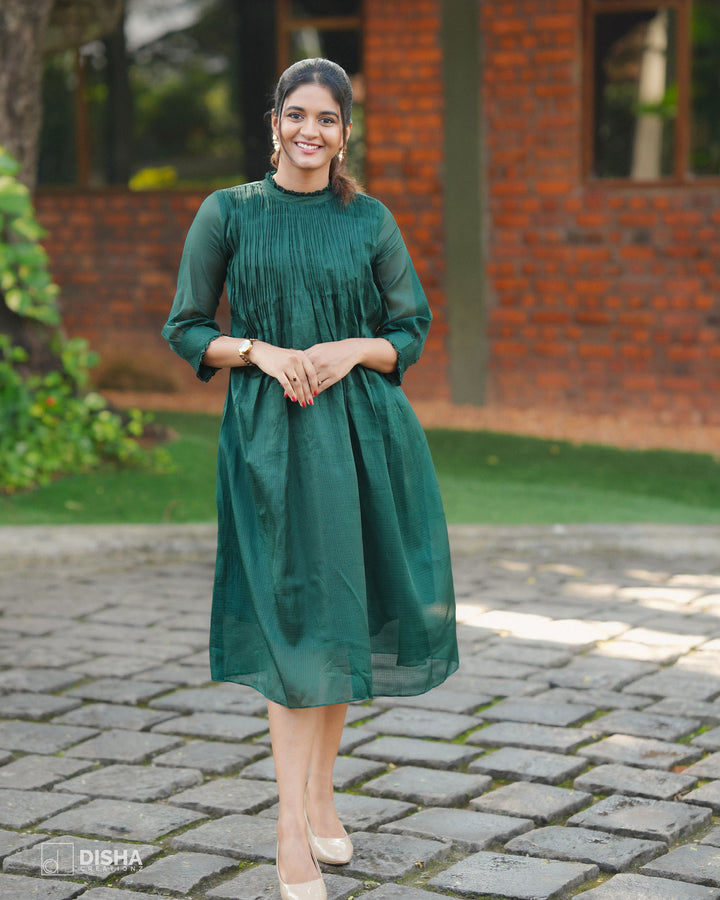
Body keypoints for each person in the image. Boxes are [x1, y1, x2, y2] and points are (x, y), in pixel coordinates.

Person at [162, 57, 458, 900]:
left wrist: (348, 349)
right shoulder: (228, 214)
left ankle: (322, 794)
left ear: (345, 132)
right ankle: (289, 829)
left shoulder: (369, 220)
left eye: (327, 118)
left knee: (339, 617)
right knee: (294, 625)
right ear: (274, 123)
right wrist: (259, 350)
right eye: (297, 114)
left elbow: (410, 330)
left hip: (366, 437)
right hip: (270, 441)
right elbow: (187, 327)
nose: (309, 131)